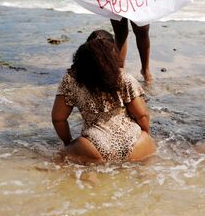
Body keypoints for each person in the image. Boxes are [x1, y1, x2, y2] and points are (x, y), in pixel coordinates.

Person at [51, 30, 156, 164]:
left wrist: (68, 143)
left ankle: (90, 177)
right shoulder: (123, 77)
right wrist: (146, 137)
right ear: (112, 52)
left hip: (94, 147)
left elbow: (58, 119)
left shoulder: (71, 80)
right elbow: (142, 116)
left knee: (61, 156)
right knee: (145, 163)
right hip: (134, 143)